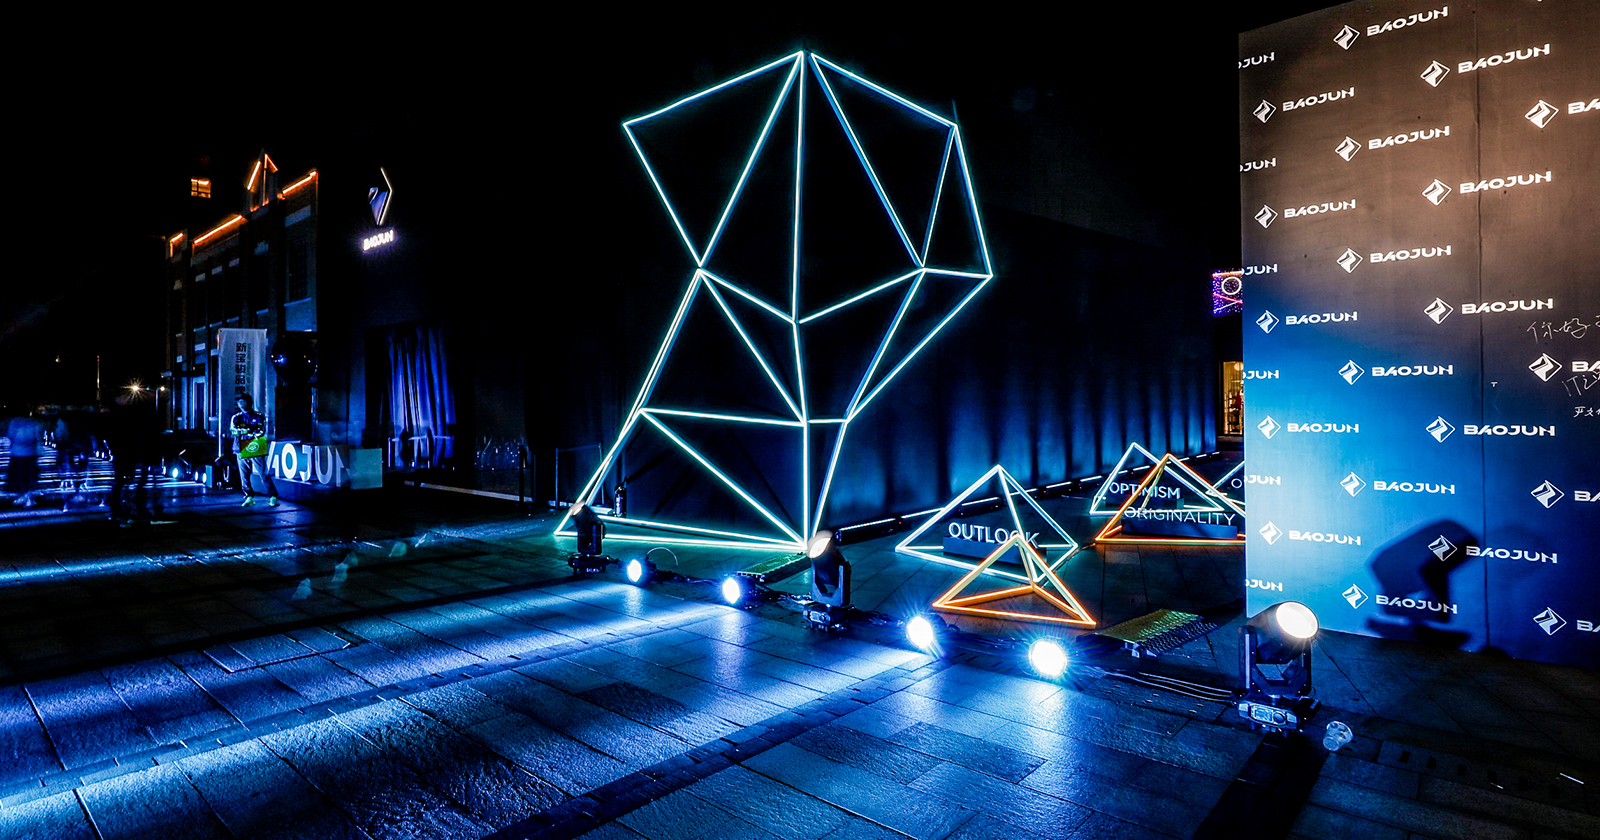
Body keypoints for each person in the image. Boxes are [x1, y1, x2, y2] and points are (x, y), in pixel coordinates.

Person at [229, 394, 278, 506]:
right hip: (240, 448)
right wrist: (248, 431)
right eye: (239, 402)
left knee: (263, 473)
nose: (241, 404)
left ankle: (273, 496)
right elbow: (233, 430)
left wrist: (245, 431)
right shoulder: (236, 417)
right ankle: (249, 497)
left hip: (255, 447)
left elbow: (260, 431)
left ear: (249, 403)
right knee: (244, 475)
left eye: (243, 401)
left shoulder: (259, 416)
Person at [4, 409, 44, 507]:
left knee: (20, 475)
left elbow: (10, 435)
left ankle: (23, 495)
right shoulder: (33, 422)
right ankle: (29, 495)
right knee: (30, 474)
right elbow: (38, 434)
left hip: (18, 452)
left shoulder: (15, 422)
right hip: (31, 451)